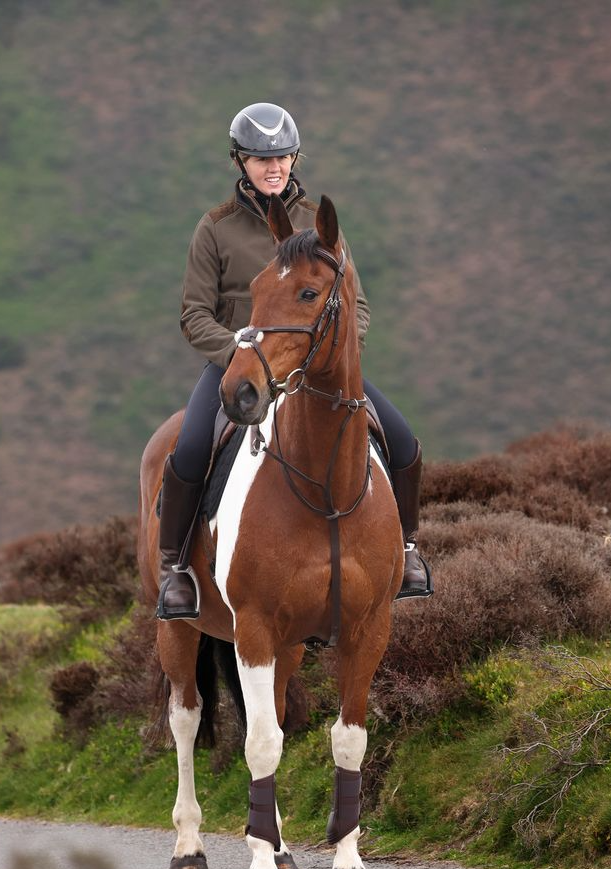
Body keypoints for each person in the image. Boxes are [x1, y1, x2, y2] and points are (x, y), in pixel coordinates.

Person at [157, 102, 433, 620]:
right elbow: (194, 315)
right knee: (191, 448)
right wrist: (238, 353)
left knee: (402, 440)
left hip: (317, 368)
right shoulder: (214, 229)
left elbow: (358, 305)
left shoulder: (318, 225)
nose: (274, 167)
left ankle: (410, 550)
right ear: (239, 162)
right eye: (262, 159)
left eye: (282, 157)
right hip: (239, 369)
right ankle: (176, 571)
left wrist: (334, 354)